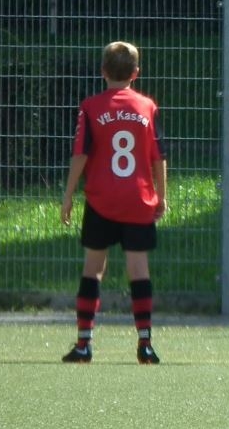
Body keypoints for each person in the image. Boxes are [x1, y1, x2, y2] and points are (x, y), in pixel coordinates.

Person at [60, 41, 167, 365]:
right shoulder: (147, 106)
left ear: (103, 71)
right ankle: (145, 344)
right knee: (138, 269)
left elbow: (81, 153)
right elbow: (159, 155)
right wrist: (162, 194)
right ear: (136, 73)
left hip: (102, 198)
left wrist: (68, 196)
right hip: (138, 197)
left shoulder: (91, 106)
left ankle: (83, 343)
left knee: (94, 268)